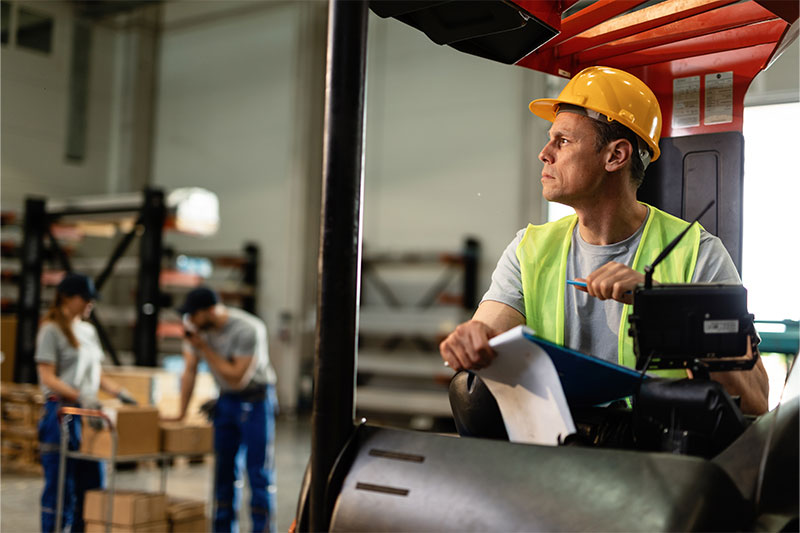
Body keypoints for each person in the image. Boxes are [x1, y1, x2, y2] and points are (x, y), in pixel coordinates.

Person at [439, 66, 768, 416]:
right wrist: (471, 341)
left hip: (660, 455)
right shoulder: (529, 248)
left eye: (562, 141)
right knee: (469, 391)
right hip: (561, 447)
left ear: (616, 156)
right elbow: (488, 333)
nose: (544, 153)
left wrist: (664, 308)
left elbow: (755, 402)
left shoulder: (698, 254)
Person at [36, 273, 137, 532]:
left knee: (92, 486)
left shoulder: (88, 330)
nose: (90, 303)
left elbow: (97, 373)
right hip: (62, 413)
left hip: (90, 414)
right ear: (67, 298)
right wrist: (79, 396)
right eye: (86, 298)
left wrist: (119, 393)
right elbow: (47, 376)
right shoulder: (51, 329)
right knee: (62, 488)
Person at [172, 287, 277, 533]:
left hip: (256, 401)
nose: (189, 320)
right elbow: (190, 370)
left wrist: (205, 348)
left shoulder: (248, 329)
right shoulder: (197, 329)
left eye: (193, 314)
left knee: (258, 472)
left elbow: (236, 378)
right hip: (226, 402)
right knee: (223, 471)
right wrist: (181, 412)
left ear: (210, 311)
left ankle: (262, 530)